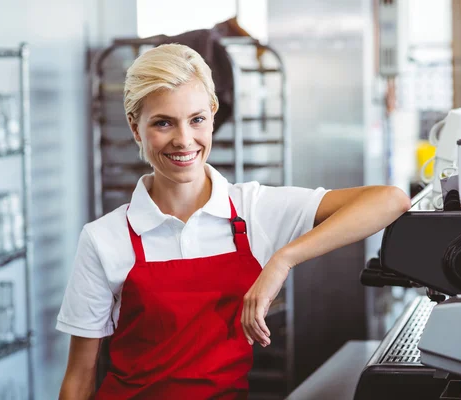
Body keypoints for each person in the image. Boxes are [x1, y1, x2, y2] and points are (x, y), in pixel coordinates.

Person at [57, 43, 411, 399]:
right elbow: (79, 378)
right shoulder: (104, 238)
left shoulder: (253, 209)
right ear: (136, 129)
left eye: (196, 119)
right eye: (163, 123)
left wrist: (282, 260)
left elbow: (389, 200)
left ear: (212, 116)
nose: (184, 140)